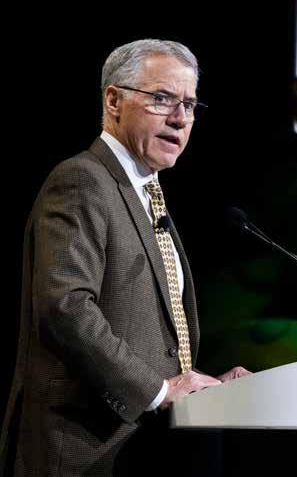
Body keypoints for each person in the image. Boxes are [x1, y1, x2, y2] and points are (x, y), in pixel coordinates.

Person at [0, 39, 250, 475]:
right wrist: (159, 391)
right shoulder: (82, 180)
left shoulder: (146, 194)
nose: (180, 118)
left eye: (190, 104)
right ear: (113, 101)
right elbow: (65, 307)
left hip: (140, 448)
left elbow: (148, 335)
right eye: (162, 99)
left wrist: (199, 387)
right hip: (81, 451)